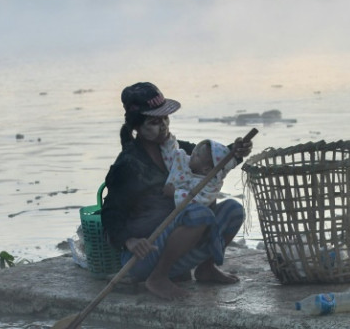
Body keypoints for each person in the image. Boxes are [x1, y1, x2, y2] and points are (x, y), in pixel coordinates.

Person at [101, 82, 253, 301]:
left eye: (165, 119)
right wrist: (129, 240)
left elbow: (210, 161)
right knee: (199, 214)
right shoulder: (129, 164)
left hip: (180, 252)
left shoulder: (177, 150)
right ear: (137, 128)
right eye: (154, 122)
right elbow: (110, 214)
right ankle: (158, 278)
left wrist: (235, 152)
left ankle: (205, 268)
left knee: (233, 210)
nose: (163, 126)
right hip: (146, 256)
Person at [160, 134, 239, 208]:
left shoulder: (209, 186)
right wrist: (168, 140)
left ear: (206, 169)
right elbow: (172, 153)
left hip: (185, 214)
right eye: (195, 151)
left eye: (197, 155)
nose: (193, 153)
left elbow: (198, 201)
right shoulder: (184, 161)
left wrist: (175, 194)